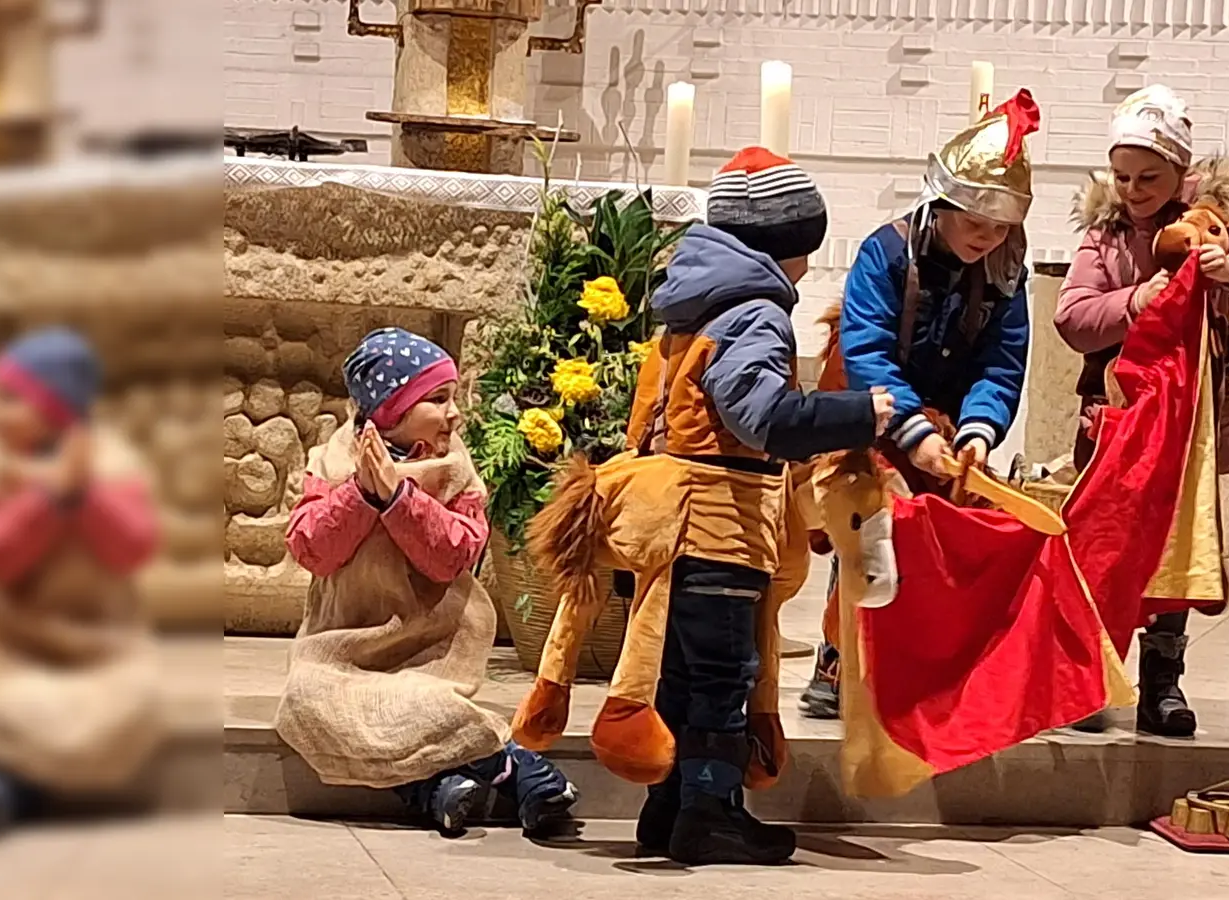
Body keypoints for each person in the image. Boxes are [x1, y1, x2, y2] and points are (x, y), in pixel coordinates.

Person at [615, 146, 893, 865]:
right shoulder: (755, 311)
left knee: (682, 670)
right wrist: (860, 413)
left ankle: (669, 807)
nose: (806, 268)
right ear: (785, 246)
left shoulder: (693, 301)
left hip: (677, 523)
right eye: (805, 250)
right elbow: (761, 416)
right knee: (722, 675)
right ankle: (710, 809)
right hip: (720, 525)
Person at [1056, 85, 1229, 738]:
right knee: (1102, 547)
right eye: (1123, 176)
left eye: (1149, 177)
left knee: (1174, 542)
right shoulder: (1105, 237)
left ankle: (1162, 683)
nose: (1133, 189)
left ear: (1181, 172)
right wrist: (1137, 300)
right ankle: (1092, 675)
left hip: (1192, 427)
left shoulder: (1217, 223)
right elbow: (1073, 319)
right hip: (1117, 420)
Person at [276, 327, 577, 836]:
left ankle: (511, 767)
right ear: (392, 409)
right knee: (309, 702)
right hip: (345, 643)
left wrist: (401, 501)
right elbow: (311, 549)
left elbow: (455, 555)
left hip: (427, 644)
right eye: (438, 399)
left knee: (424, 700)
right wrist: (362, 496)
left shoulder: (455, 467)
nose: (454, 413)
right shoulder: (332, 463)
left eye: (453, 397)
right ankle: (439, 787)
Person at [800, 90, 1040, 721]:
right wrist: (906, 428)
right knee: (866, 528)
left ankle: (924, 663)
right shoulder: (887, 251)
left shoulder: (1008, 273)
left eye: (998, 229)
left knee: (945, 535)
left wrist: (982, 430)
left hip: (949, 417)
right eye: (973, 223)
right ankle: (837, 657)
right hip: (870, 406)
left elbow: (1001, 362)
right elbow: (866, 346)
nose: (984, 238)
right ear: (943, 204)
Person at [0, 327, 162, 831]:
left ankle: (13, 785)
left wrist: (80, 496)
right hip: (6, 643)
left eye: (12, 400)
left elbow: (132, 547)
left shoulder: (108, 464)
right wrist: (44, 503)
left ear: (53, 408)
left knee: (87, 717)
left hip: (93, 656)